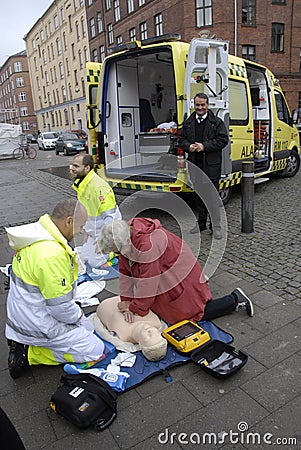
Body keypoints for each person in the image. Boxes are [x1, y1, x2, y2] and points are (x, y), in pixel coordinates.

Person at [5, 198, 105, 379]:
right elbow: (61, 308)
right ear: (69, 221)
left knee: (84, 329)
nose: (81, 231)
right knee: (95, 348)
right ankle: (30, 354)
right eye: (80, 226)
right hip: (35, 324)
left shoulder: (39, 233)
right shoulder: (51, 254)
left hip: (24, 315)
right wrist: (80, 319)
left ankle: (28, 344)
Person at [97, 218, 254, 326]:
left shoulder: (147, 245)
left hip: (180, 273)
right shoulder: (126, 238)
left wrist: (135, 308)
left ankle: (235, 299)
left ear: (125, 242)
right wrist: (126, 300)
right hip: (167, 270)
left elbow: (148, 282)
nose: (118, 255)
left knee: (192, 314)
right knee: (166, 309)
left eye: (117, 251)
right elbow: (126, 274)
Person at [179, 93, 229, 239]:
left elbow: (223, 140)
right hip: (195, 166)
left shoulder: (217, 122)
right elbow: (181, 140)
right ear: (194, 105)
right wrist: (189, 147)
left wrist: (204, 146)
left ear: (208, 105)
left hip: (211, 167)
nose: (200, 107)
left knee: (212, 198)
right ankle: (201, 224)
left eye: (203, 105)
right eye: (197, 105)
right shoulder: (188, 123)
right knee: (199, 197)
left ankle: (216, 227)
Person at [70, 153, 121, 269]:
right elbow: (87, 212)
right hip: (94, 233)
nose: (72, 169)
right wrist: (87, 232)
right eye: (72, 165)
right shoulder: (83, 184)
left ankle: (117, 251)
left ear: (87, 168)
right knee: (83, 257)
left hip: (106, 234)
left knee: (94, 262)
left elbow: (110, 219)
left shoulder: (99, 188)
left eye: (76, 166)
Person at [96, 296, 167, 361]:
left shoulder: (123, 334)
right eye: (156, 334)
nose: (150, 331)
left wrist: (131, 308)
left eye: (148, 337)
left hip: (107, 304)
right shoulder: (156, 322)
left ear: (140, 345)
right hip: (126, 297)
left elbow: (119, 310)